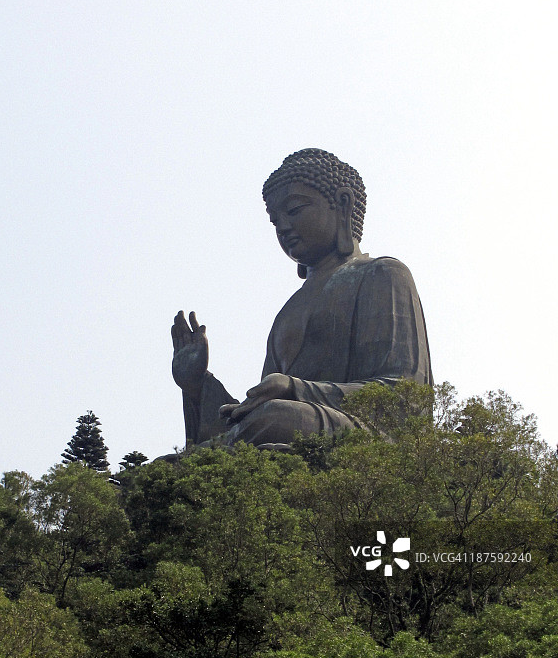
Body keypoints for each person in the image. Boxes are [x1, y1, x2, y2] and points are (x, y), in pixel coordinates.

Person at [171, 148, 432, 448]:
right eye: (275, 220)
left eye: (294, 210)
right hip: (290, 423)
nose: (283, 227)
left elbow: (407, 398)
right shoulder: (288, 312)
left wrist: (295, 388)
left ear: (343, 204)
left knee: (277, 416)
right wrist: (197, 385)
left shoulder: (383, 275)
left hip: (366, 437)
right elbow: (250, 414)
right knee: (268, 418)